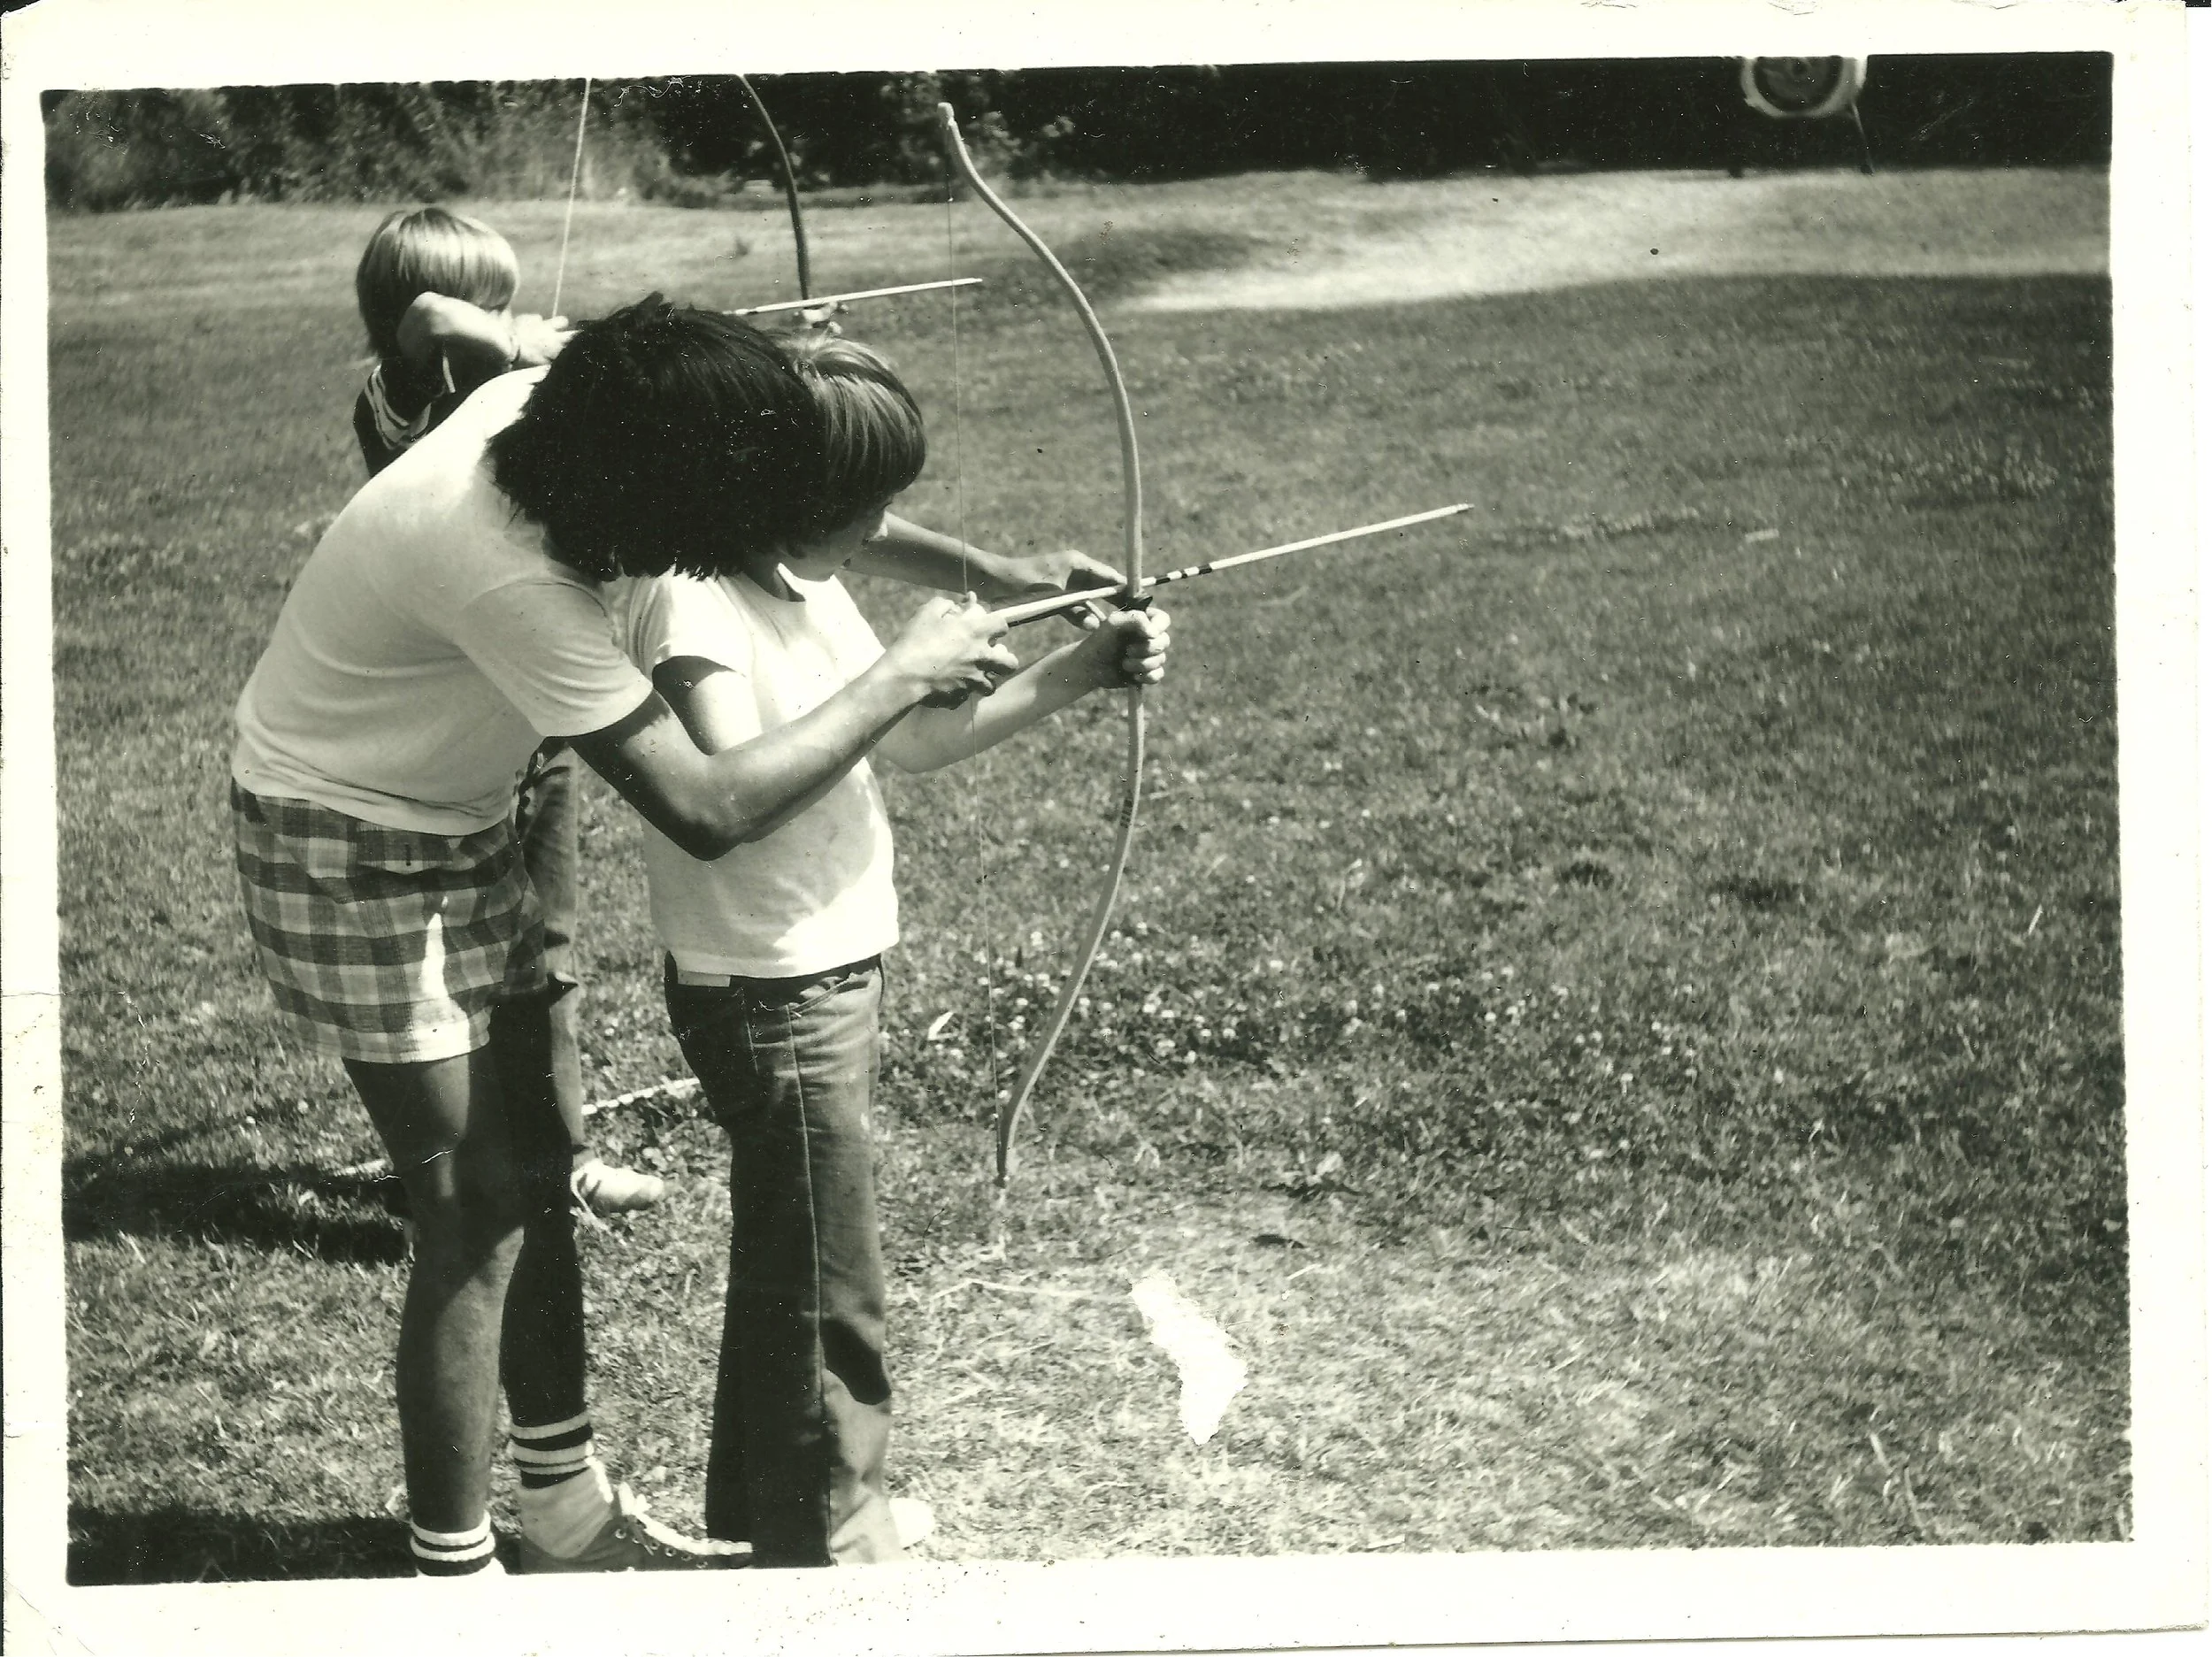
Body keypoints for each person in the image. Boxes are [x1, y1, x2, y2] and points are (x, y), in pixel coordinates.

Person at [232, 296, 1116, 1576]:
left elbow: (783, 512)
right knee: (472, 1214)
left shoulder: (576, 407)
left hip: (464, 800)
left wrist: (997, 577)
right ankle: (456, 1575)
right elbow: (709, 807)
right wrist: (902, 672)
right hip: (343, 830)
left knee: (531, 1166)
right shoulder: (508, 571)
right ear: (662, 497)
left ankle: (559, 1506)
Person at [611, 332, 1171, 1566]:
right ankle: (830, 1534)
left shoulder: (801, 575)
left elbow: (901, 744)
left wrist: (1080, 670)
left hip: (816, 972)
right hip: (772, 986)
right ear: (766, 499)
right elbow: (728, 790)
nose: (882, 529)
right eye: (860, 510)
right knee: (827, 1277)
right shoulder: (690, 596)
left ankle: (774, 1509)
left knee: (796, 1257)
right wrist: (902, 672)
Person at [350, 207, 662, 1218]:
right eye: (490, 304)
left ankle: (559, 1155)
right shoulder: (397, 396)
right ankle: (453, 1165)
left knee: (548, 952)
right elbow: (438, 321)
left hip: (536, 722)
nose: (503, 320)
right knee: (443, 974)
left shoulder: (526, 392)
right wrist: (524, 339)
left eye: (511, 302)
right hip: (443, 750)